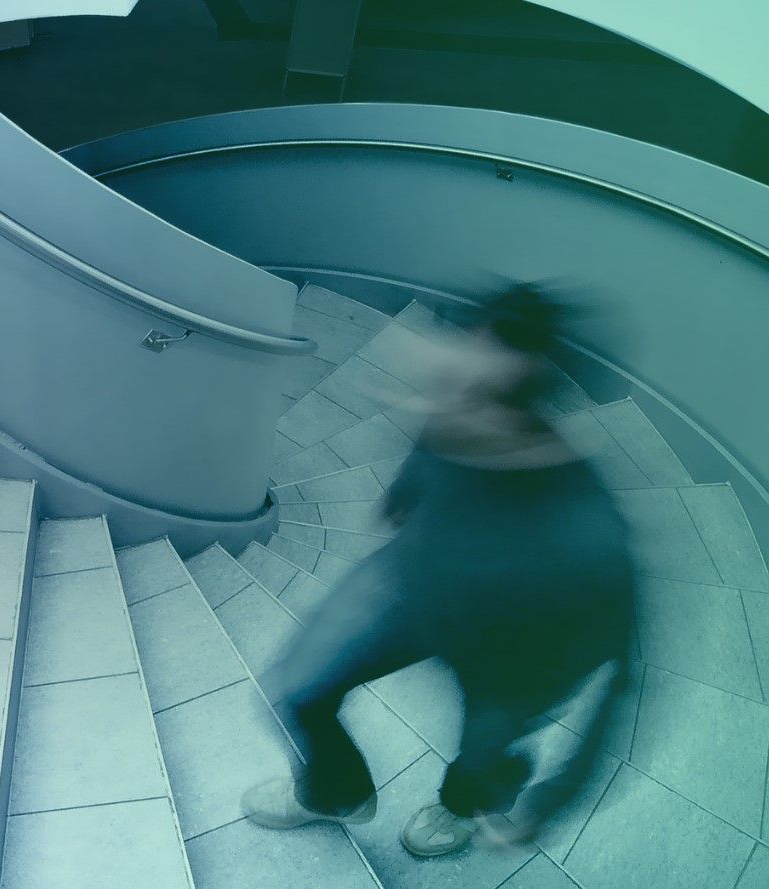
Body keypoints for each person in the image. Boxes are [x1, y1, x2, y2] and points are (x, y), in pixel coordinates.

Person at [243, 286, 639, 858]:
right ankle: (336, 792)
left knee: (483, 756)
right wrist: (403, 496)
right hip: (412, 585)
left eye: (461, 390)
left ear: (514, 407)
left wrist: (553, 800)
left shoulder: (587, 535)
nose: (430, 404)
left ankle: (463, 804)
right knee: (299, 690)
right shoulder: (455, 413)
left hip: (515, 649)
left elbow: (620, 677)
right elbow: (428, 453)